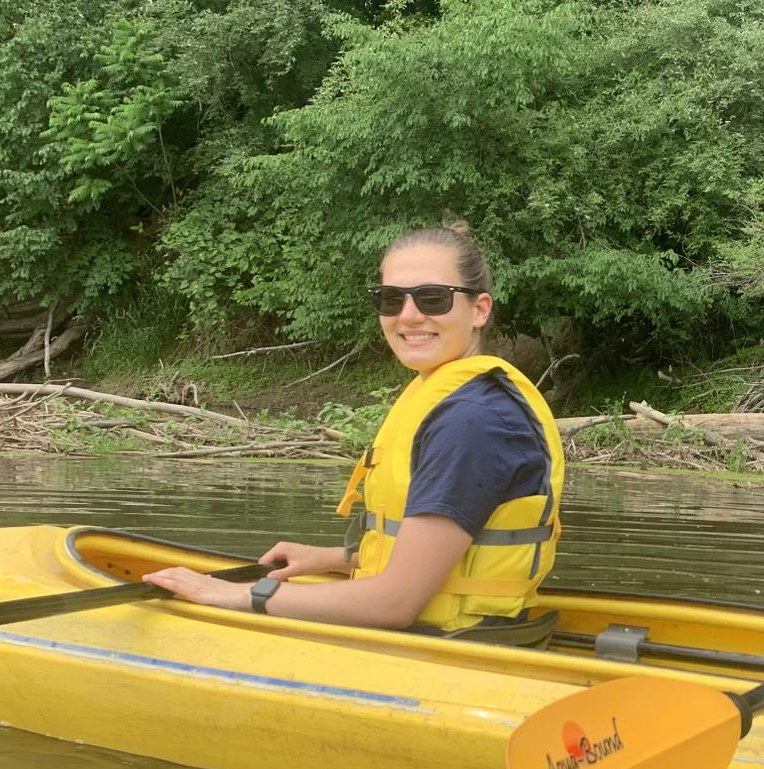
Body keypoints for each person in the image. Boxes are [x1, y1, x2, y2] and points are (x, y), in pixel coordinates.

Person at [145, 222, 566, 640]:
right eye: (390, 299)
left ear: (479, 310)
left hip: (451, 645)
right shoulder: (456, 399)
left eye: (433, 298)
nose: (409, 315)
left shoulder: (472, 420)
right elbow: (447, 554)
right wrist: (338, 557)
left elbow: (394, 604)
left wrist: (236, 594)